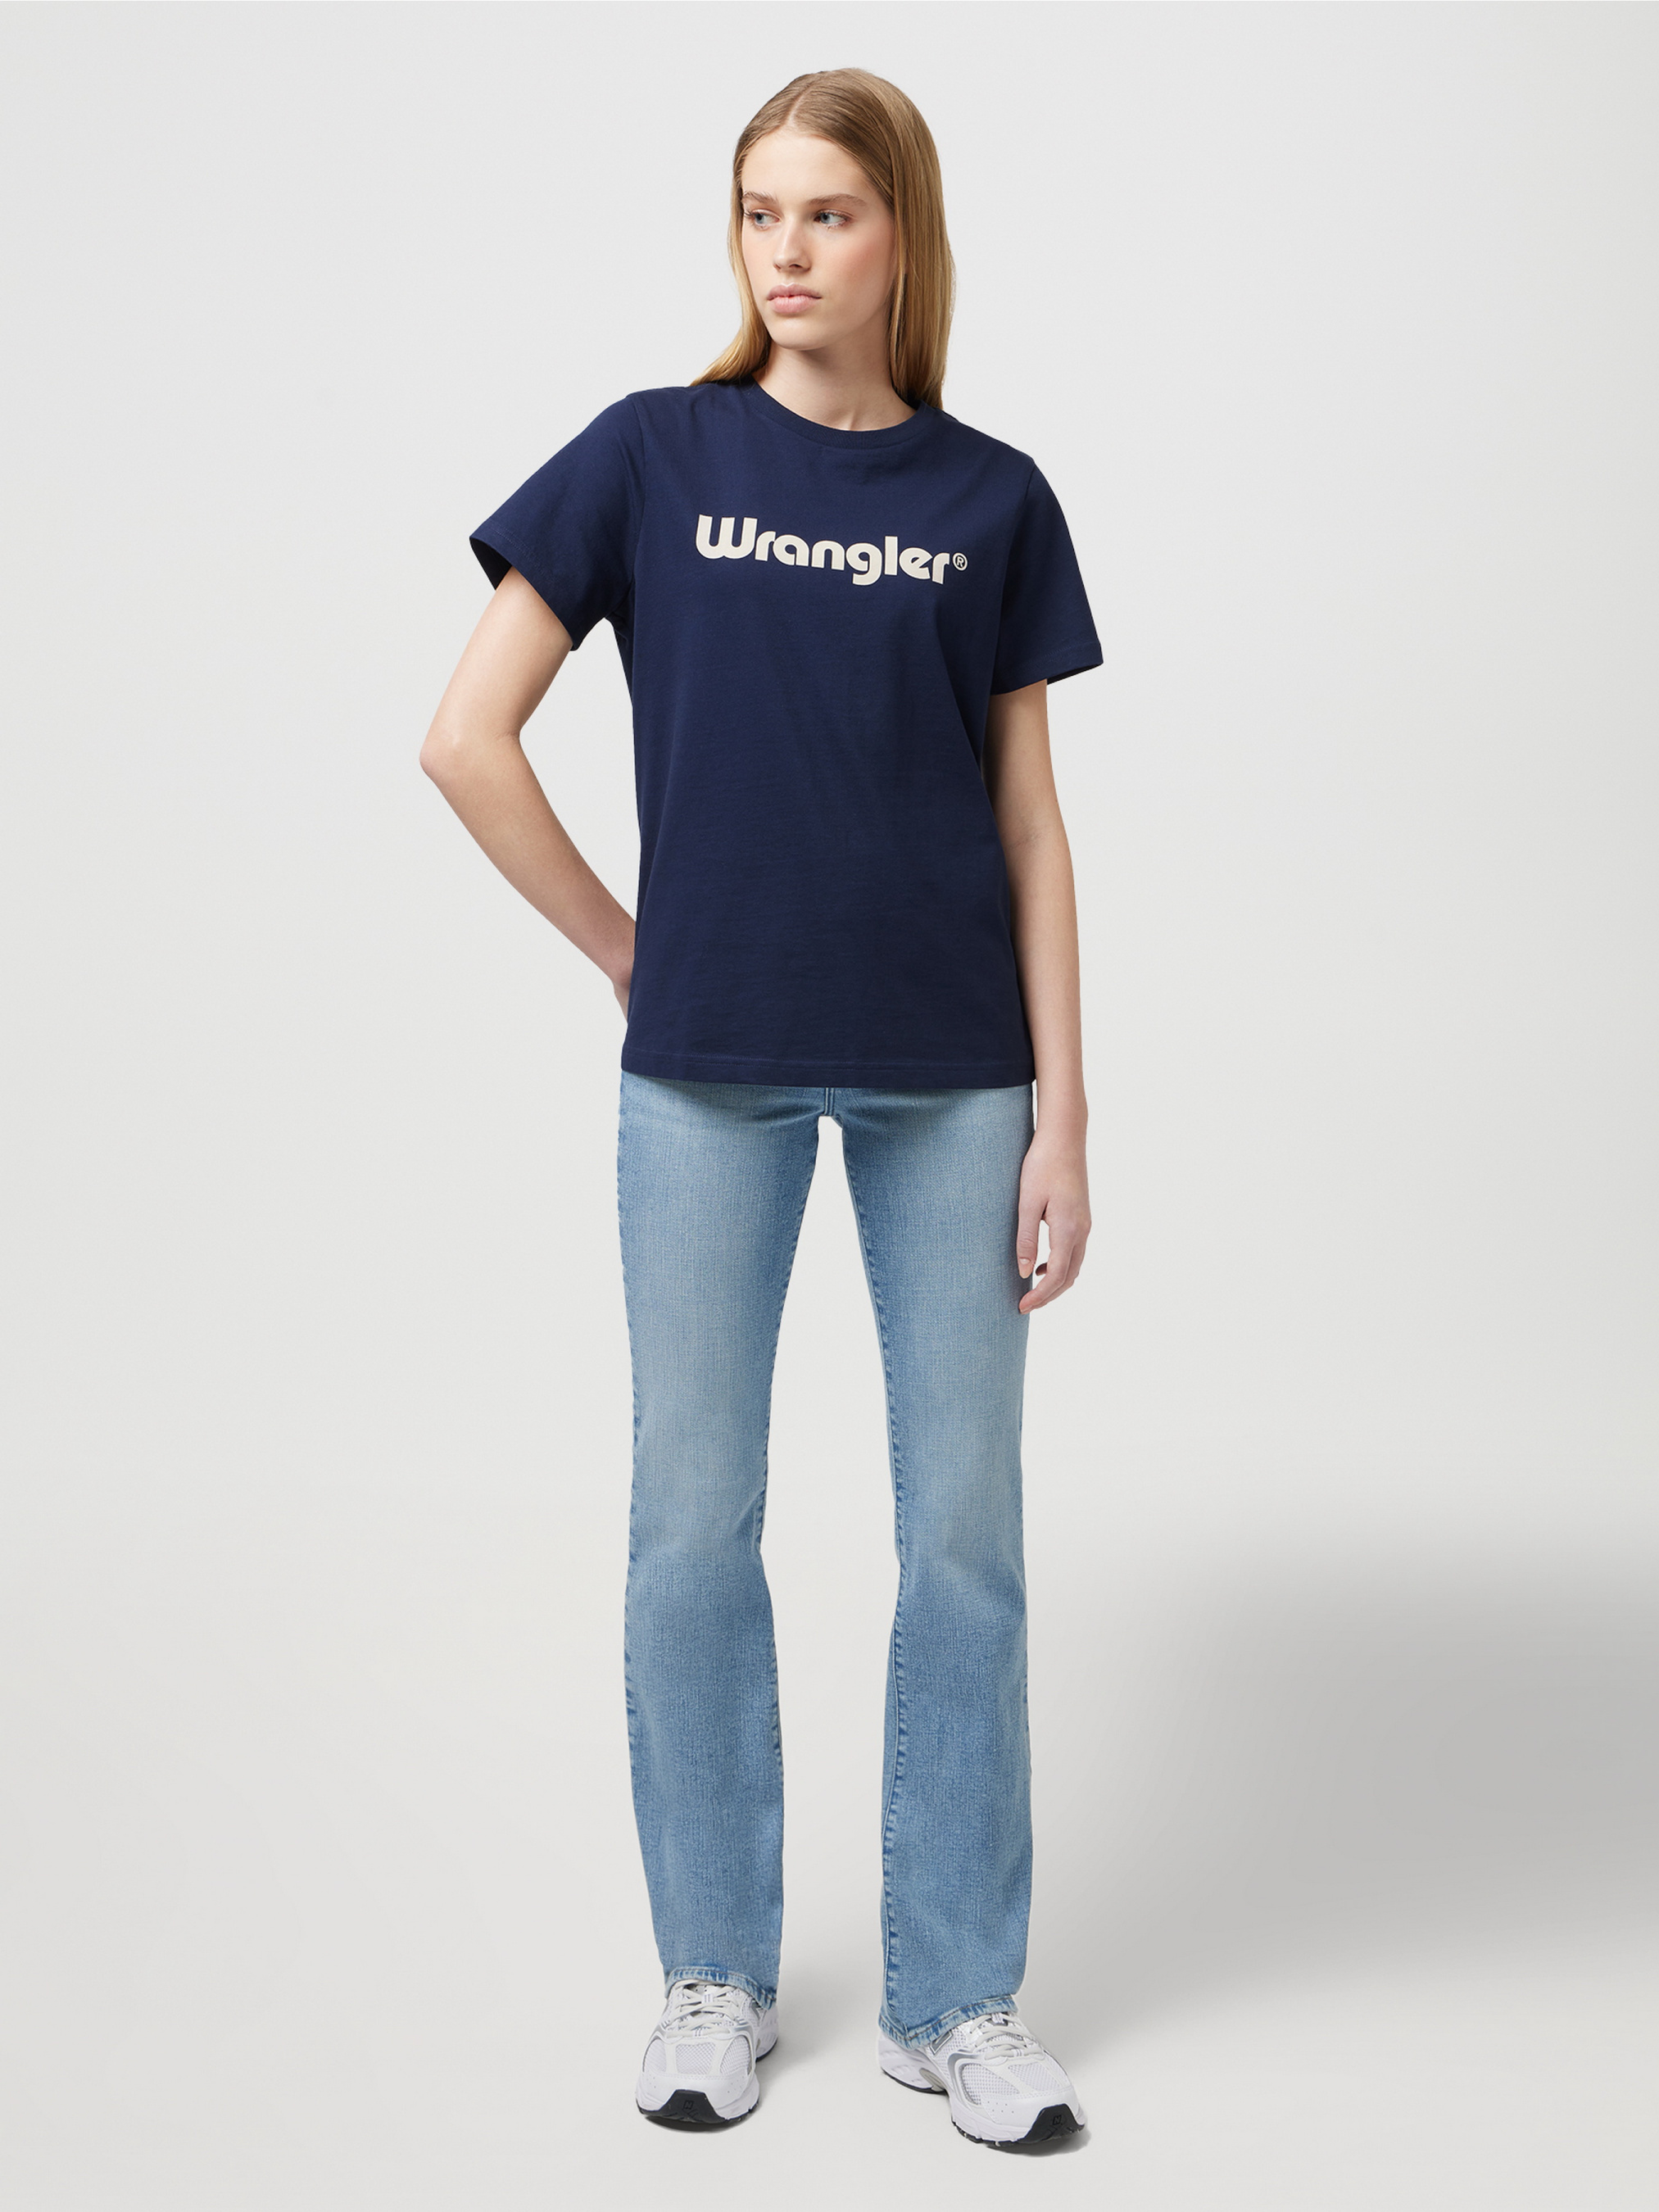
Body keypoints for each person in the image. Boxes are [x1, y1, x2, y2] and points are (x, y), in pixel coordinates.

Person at [421, 67, 1100, 2151]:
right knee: (690, 1521)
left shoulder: (991, 497)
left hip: (952, 1078)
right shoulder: (654, 453)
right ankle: (709, 1977)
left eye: (826, 214)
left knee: (962, 1535)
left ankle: (955, 1999)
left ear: (901, 236)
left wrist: (1066, 1117)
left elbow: (1028, 823)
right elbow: (464, 738)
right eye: (756, 213)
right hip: (704, 1076)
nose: (785, 251)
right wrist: (631, 952)